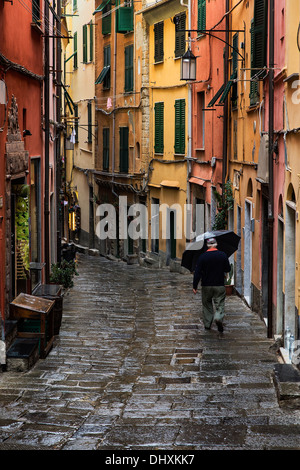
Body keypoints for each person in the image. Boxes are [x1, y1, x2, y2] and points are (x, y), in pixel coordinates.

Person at [193, 238, 231, 333]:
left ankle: (207, 324)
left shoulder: (202, 257)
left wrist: (195, 286)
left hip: (206, 285)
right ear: (216, 244)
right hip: (219, 284)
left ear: (207, 245)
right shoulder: (222, 255)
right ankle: (218, 317)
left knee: (206, 304)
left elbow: (197, 273)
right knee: (220, 304)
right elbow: (228, 269)